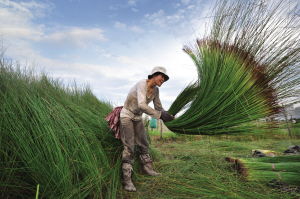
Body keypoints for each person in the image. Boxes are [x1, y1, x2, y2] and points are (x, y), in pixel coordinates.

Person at [120, 66, 174, 192]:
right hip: (127, 115)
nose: (163, 80)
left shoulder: (156, 91)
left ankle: (147, 168)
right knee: (129, 146)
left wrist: (168, 115)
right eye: (162, 77)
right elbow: (141, 105)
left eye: (165, 79)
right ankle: (127, 179)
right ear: (154, 75)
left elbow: (158, 107)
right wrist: (160, 115)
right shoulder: (141, 84)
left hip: (137, 117)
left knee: (144, 143)